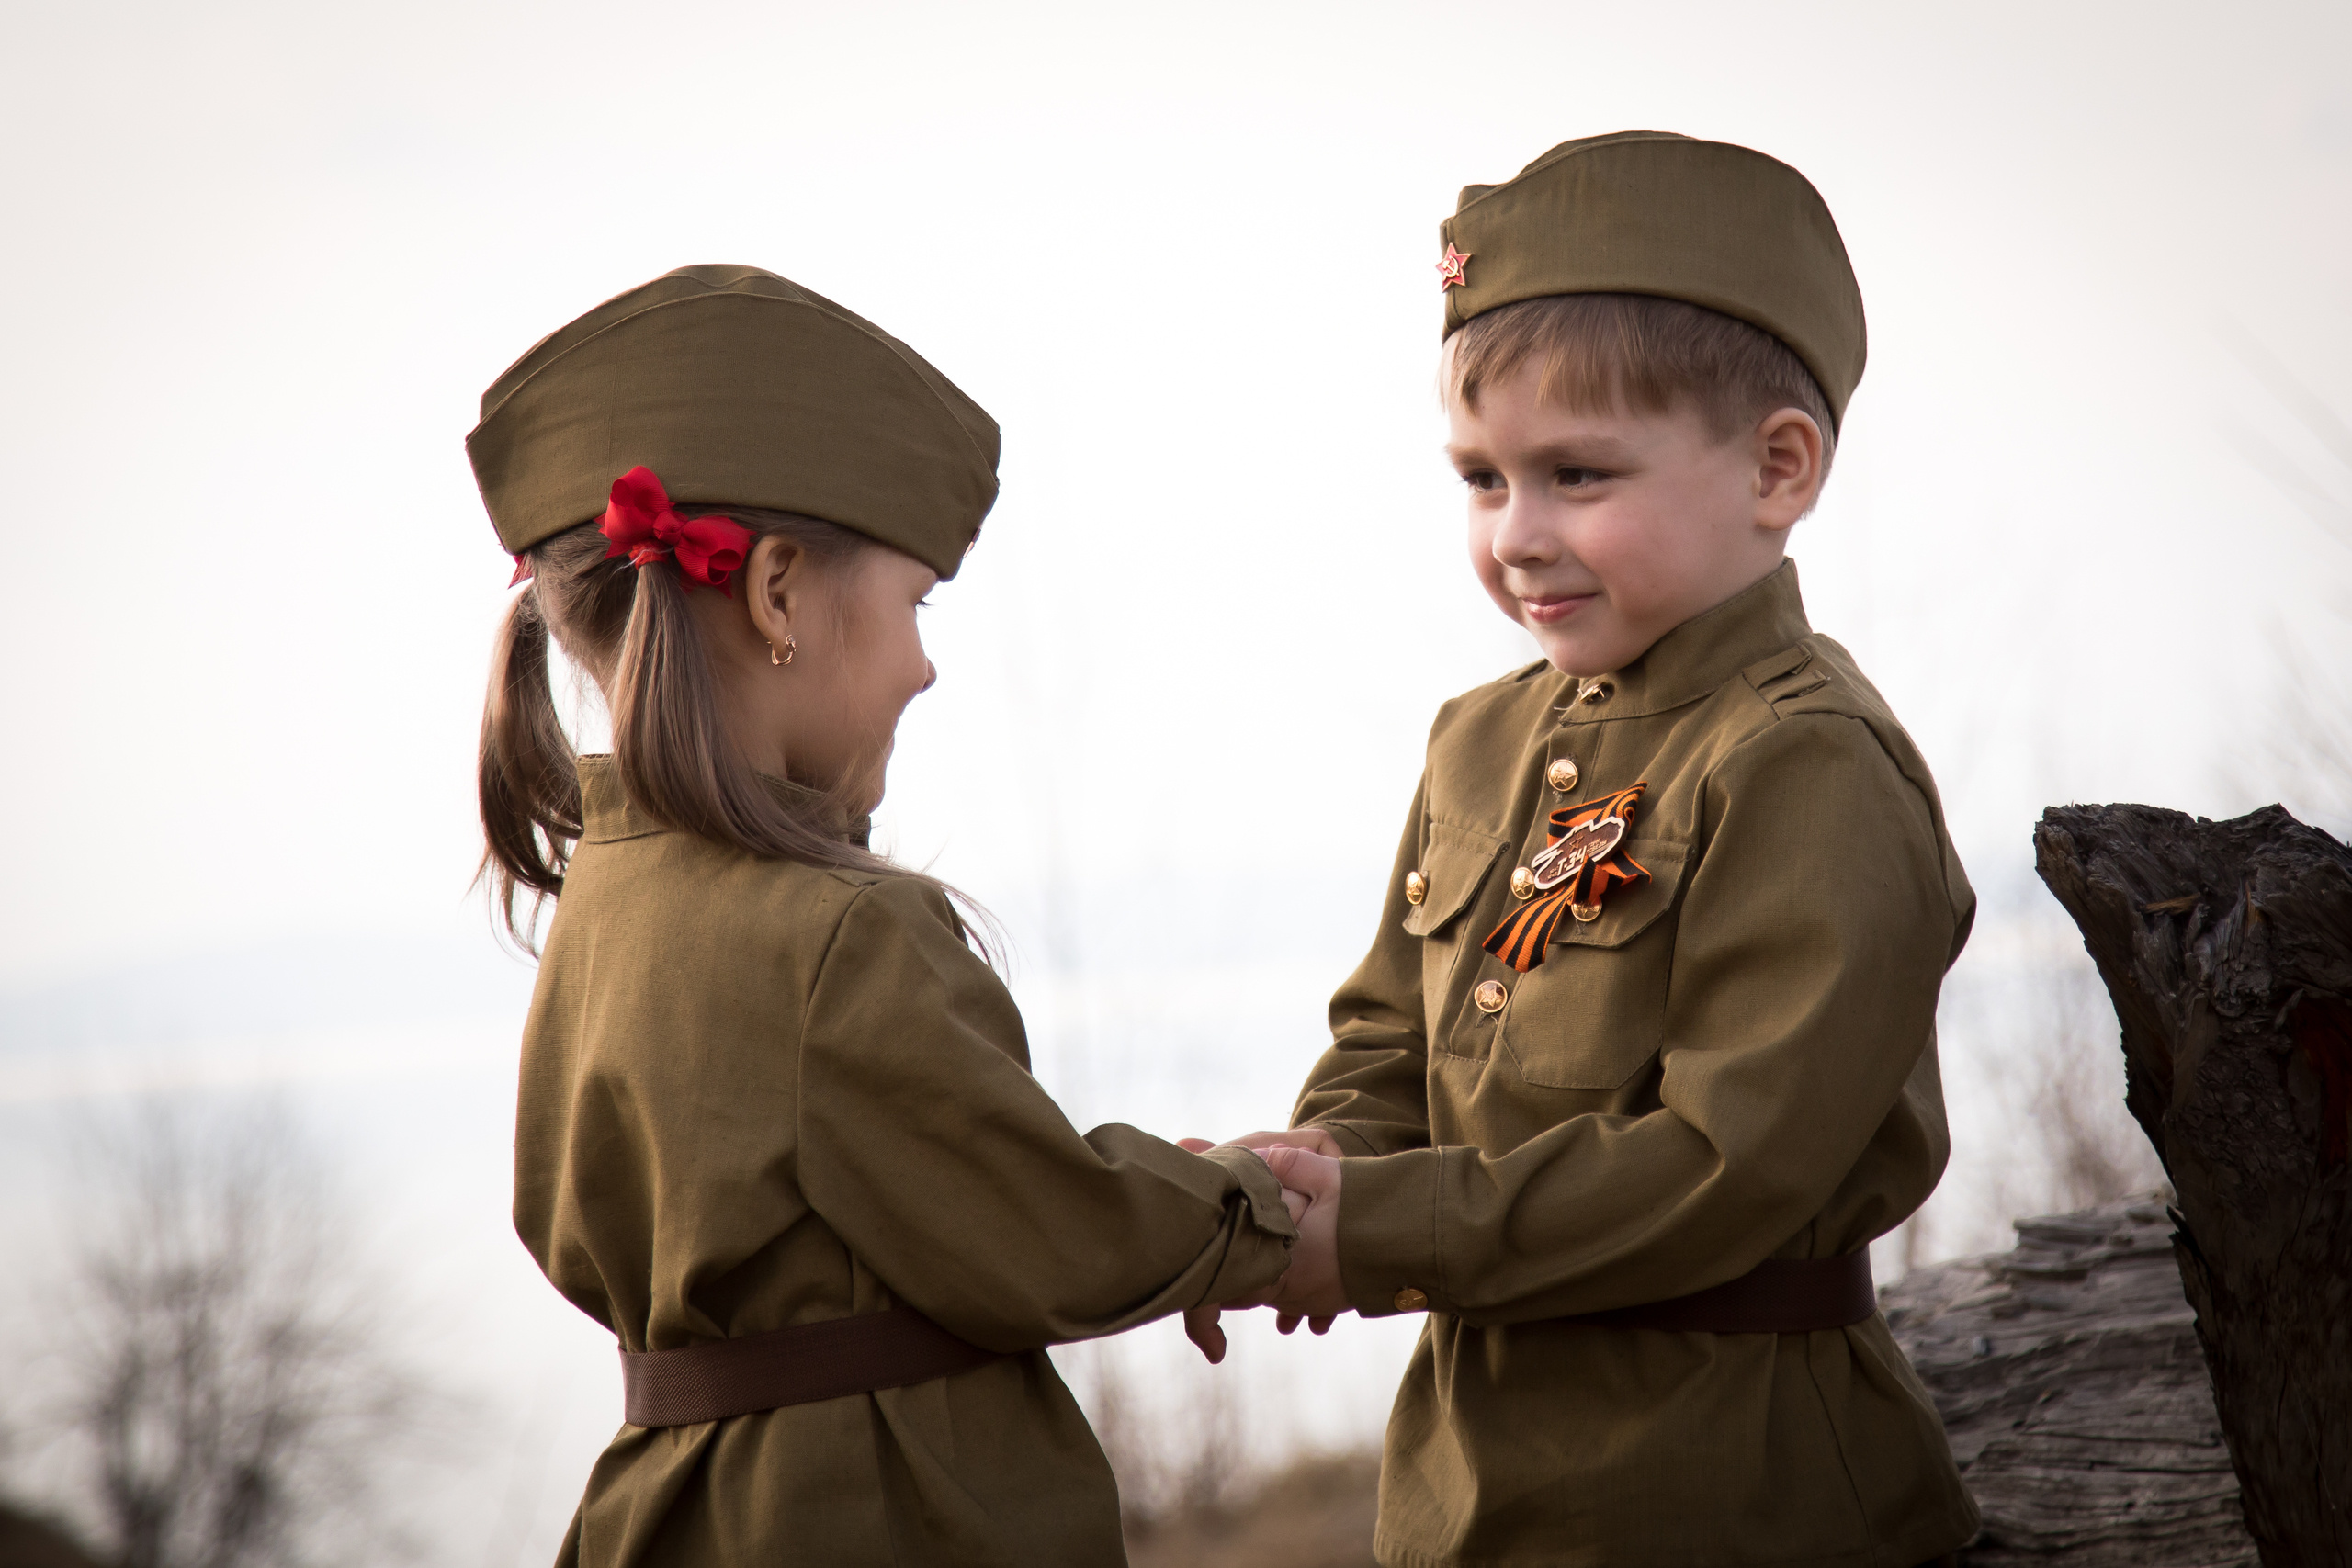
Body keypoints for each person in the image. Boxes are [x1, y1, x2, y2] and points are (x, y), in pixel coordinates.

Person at [1195, 133, 1980, 1567]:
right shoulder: (1479, 740)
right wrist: (1310, 1174)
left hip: (1735, 1494)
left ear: (1778, 468)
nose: (1520, 536)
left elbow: (1726, 1167)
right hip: (1468, 1496)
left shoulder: (1804, 762)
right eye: (1483, 481)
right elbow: (1390, 1038)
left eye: (1576, 474)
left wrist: (1375, 1229)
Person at [469, 264, 1298, 1567]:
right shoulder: (842, 934)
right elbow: (1044, 1237)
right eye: (917, 604)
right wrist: (1250, 1204)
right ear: (779, 593)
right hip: (877, 1513)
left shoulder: (606, 906)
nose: (923, 661)